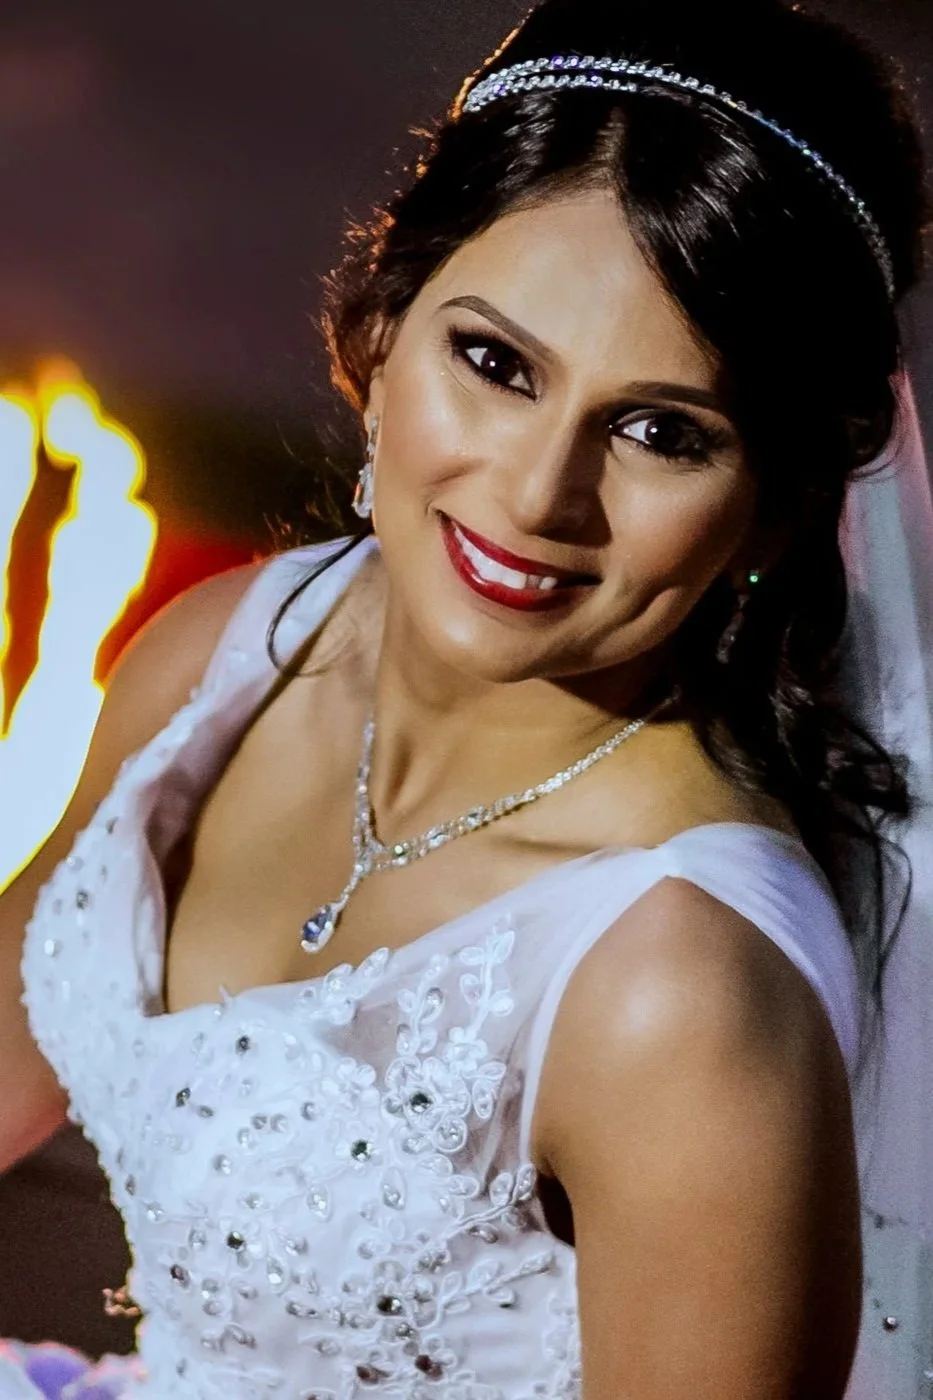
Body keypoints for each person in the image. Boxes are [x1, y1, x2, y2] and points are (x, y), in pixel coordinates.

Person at [0, 0, 930, 1395]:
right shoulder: (225, 654)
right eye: (495, 363)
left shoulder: (683, 995)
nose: (537, 495)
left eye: (661, 432)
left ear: (775, 513)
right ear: (382, 332)